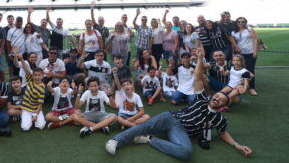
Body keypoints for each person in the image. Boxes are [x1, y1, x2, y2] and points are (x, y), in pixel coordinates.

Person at [105, 49, 253, 161]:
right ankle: (115, 140)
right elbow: (197, 78)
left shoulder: (220, 119)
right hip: (171, 118)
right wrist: (200, 59)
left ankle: (149, 139)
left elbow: (223, 133)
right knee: (143, 126)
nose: (217, 98)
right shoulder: (202, 98)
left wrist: (237, 145)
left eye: (221, 99)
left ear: (223, 105)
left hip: (181, 132)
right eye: (216, 95)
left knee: (186, 153)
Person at [231, 17, 258, 96]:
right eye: (239, 22)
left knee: (250, 70)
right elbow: (233, 43)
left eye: (243, 22)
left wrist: (255, 51)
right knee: (241, 69)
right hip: (240, 54)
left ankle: (252, 88)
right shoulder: (234, 32)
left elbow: (255, 39)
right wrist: (234, 52)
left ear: (245, 22)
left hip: (250, 52)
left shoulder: (249, 29)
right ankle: (243, 85)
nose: (241, 23)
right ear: (236, 23)